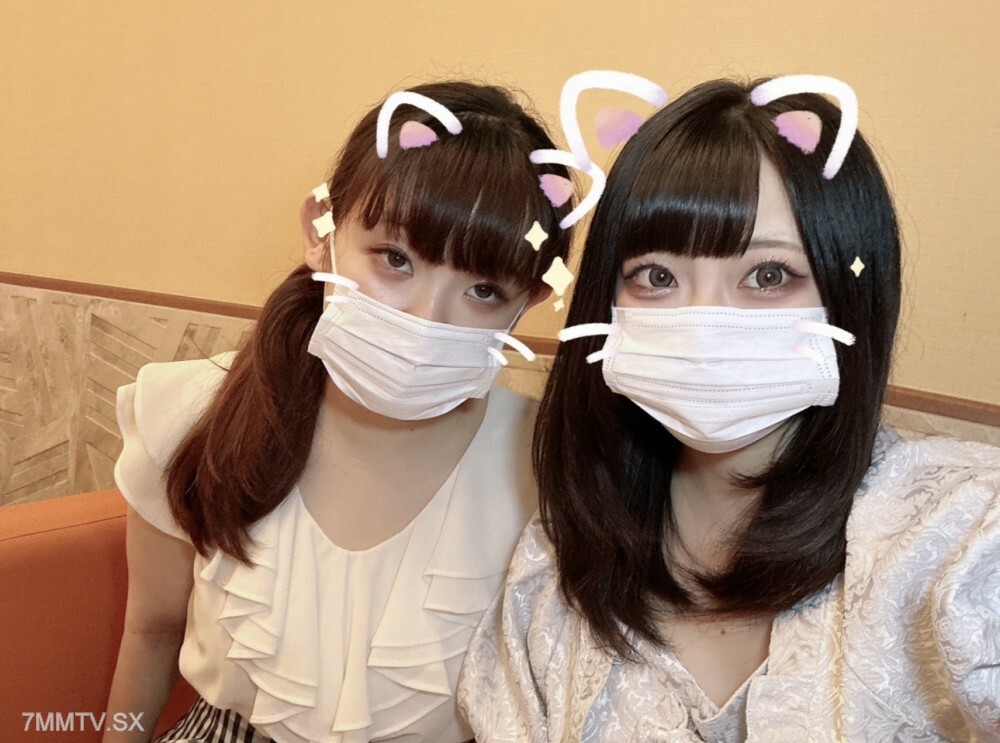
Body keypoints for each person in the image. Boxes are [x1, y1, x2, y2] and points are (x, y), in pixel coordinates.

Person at [458, 76, 1000, 741]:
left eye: (768, 276)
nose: (702, 326)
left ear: (851, 294)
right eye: (657, 276)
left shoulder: (962, 534)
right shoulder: (553, 571)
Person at [103, 80, 574, 743]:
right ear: (321, 231)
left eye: (484, 290)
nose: (426, 317)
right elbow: (151, 629)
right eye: (395, 259)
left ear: (527, 301)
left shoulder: (547, 463)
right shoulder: (189, 410)